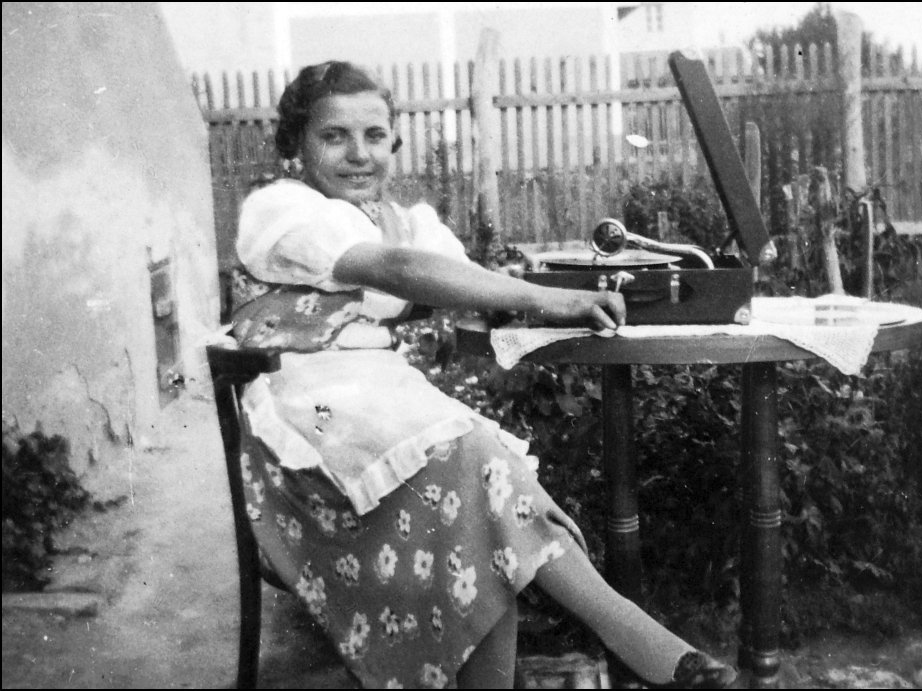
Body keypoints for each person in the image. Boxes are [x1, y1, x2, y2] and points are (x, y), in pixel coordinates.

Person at [230, 59, 738, 689]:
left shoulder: (406, 222)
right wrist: (545, 299)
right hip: (308, 427)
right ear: (296, 146)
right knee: (476, 464)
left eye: (374, 136)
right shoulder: (281, 209)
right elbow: (394, 269)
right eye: (334, 137)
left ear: (394, 142)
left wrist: (535, 291)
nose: (358, 154)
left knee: (477, 505)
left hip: (383, 405)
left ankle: (642, 647)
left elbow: (462, 279)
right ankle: (640, 643)